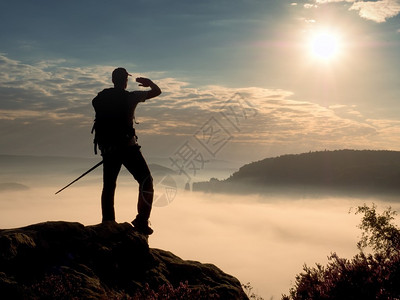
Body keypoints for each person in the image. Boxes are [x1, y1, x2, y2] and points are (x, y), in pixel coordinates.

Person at [92, 67, 161, 235]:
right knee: (146, 182)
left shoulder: (99, 99)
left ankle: (108, 222)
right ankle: (141, 221)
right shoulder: (131, 97)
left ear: (112, 80)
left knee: (109, 186)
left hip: (108, 149)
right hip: (128, 148)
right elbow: (157, 92)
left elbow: (97, 109)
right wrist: (149, 83)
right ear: (125, 81)